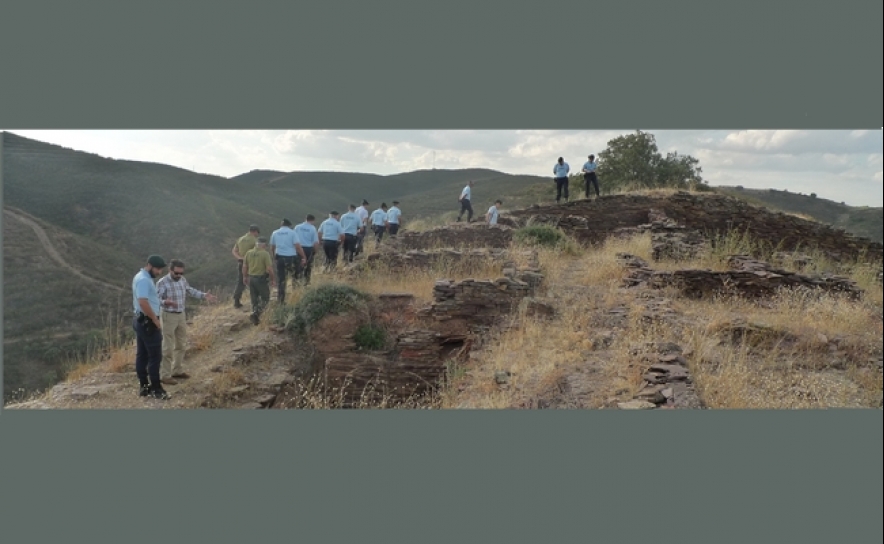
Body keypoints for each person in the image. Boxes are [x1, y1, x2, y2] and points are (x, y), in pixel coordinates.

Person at [156, 259, 217, 385]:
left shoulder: (182, 280)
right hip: (168, 315)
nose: (179, 275)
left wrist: (203, 295)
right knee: (167, 347)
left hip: (181, 315)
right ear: (170, 270)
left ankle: (177, 370)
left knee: (181, 344)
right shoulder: (162, 282)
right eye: (176, 273)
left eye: (181, 273)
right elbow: (155, 299)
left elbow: (189, 290)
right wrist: (165, 302)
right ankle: (165, 375)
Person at [131, 254, 170, 399]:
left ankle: (144, 386)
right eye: (157, 269)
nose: (159, 272)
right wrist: (155, 319)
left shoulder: (140, 276)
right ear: (149, 265)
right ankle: (156, 389)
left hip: (140, 320)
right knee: (155, 356)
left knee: (142, 354)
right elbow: (143, 302)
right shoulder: (144, 280)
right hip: (148, 321)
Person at [242, 237, 276, 325]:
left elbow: (245, 266)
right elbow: (269, 269)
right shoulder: (265, 254)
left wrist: (245, 277)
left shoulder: (248, 253)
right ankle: (256, 314)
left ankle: (255, 320)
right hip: (260, 279)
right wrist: (273, 279)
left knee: (254, 299)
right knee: (265, 298)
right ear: (264, 245)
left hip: (251, 279)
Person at [270, 218, 299, 304]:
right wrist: (303, 256)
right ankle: (296, 295)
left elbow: (272, 247)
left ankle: (281, 300)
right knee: (295, 276)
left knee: (281, 279)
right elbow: (297, 246)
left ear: (281, 224)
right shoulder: (292, 233)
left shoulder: (275, 233)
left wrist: (274, 257)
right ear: (289, 225)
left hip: (280, 257)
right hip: (291, 258)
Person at [231, 224, 259, 309]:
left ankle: (236, 301)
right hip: (251, 263)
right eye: (257, 233)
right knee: (254, 281)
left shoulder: (240, 239)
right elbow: (257, 252)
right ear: (255, 232)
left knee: (240, 282)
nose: (257, 234)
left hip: (241, 263)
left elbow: (234, 251)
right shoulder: (255, 240)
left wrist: (240, 258)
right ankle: (255, 301)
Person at [294, 214, 319, 285]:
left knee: (298, 265)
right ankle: (306, 282)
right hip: (308, 249)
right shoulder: (312, 228)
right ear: (313, 220)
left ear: (305, 219)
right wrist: (315, 251)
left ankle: (296, 282)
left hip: (298, 248)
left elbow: (293, 239)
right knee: (308, 266)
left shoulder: (297, 227)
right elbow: (315, 242)